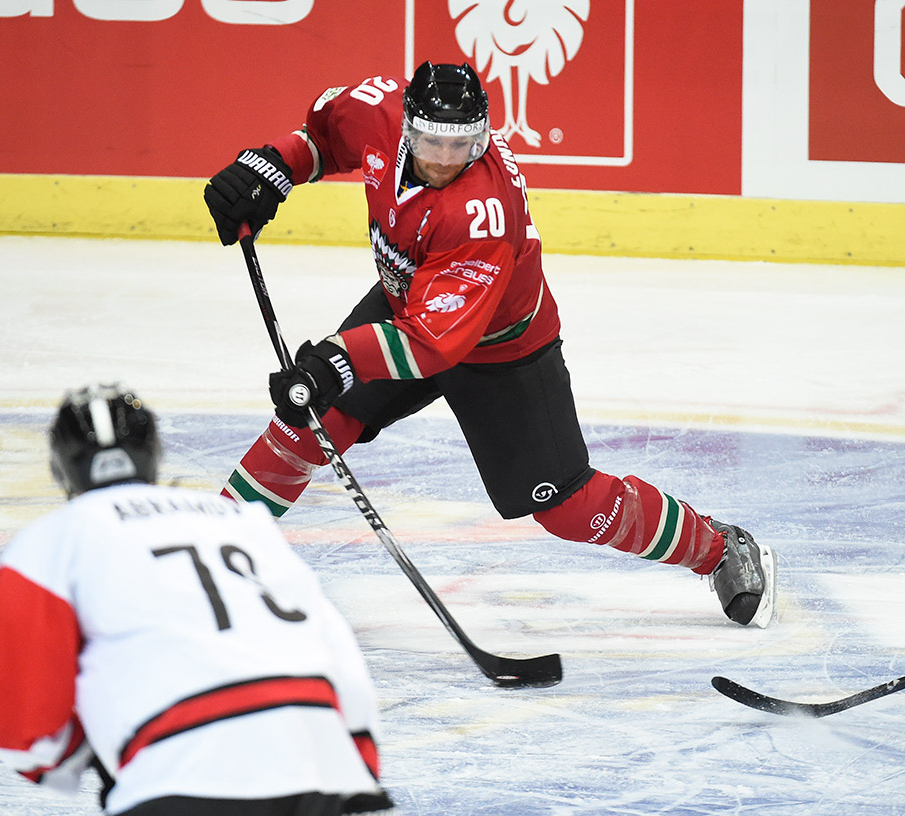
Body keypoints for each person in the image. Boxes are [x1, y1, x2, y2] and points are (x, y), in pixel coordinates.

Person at [202, 62, 777, 629]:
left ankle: (719, 548)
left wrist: (336, 362)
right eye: (432, 143)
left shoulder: (483, 211)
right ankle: (205, 555)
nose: (448, 160)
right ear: (405, 126)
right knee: (311, 416)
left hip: (503, 351)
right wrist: (273, 165)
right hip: (412, 304)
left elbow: (432, 346)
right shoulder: (376, 110)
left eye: (464, 145)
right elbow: (323, 139)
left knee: (568, 508)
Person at [0, 384, 394, 816]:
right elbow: (335, 648)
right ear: (154, 454)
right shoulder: (244, 522)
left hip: (179, 776)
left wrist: (90, 752)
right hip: (318, 767)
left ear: (59, 468)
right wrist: (353, 763)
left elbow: (30, 736)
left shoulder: (48, 541)